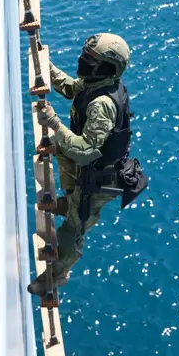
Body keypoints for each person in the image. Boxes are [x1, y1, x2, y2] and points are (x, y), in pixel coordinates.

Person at [27, 33, 134, 296]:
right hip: (92, 171)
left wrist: (54, 124)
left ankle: (58, 274)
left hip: (101, 180)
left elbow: (85, 152)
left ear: (107, 67)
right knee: (66, 160)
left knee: (72, 230)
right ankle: (70, 201)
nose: (83, 62)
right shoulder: (98, 84)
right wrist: (48, 69)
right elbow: (73, 88)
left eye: (90, 60)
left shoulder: (101, 104)